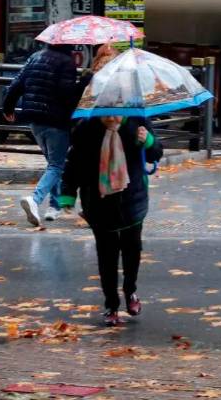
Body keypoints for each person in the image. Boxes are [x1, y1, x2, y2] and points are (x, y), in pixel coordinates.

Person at [58, 115, 163, 326]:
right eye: (107, 113)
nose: (112, 118)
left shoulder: (137, 122)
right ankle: (111, 304)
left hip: (132, 199)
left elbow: (156, 153)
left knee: (132, 250)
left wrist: (148, 141)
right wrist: (68, 194)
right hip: (98, 202)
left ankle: (130, 290)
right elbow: (73, 163)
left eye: (117, 113)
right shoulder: (86, 129)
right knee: (107, 255)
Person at [3, 43, 91, 226]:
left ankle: (54, 206)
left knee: (53, 164)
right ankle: (35, 200)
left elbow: (18, 83)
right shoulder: (66, 62)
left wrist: (8, 106)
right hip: (56, 120)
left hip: (34, 120)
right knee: (56, 165)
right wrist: (83, 82)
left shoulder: (35, 57)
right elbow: (67, 96)